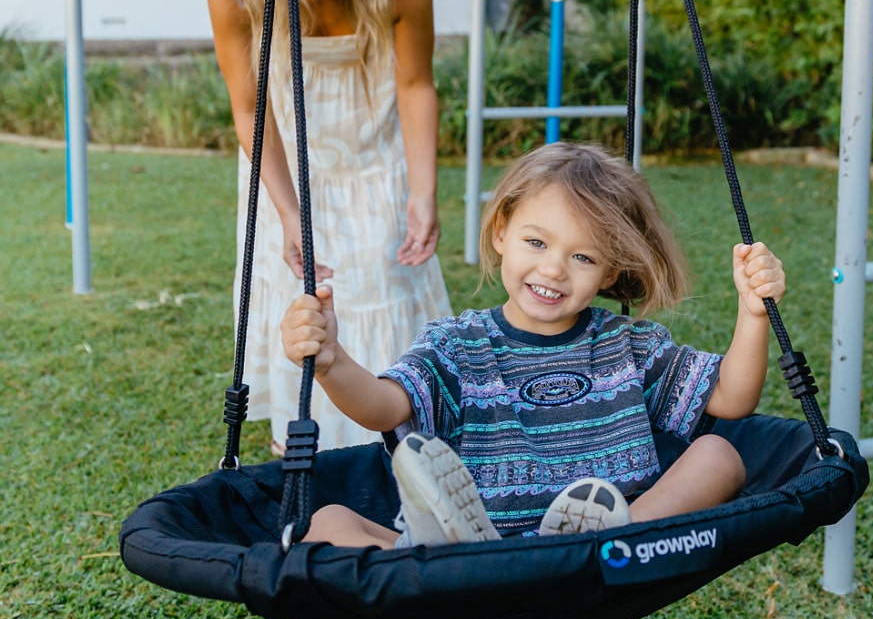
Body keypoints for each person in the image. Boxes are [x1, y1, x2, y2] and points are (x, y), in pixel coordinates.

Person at [280, 141, 787, 549]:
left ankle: (611, 535)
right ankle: (447, 553)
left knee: (720, 455)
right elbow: (384, 407)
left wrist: (753, 313)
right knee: (325, 521)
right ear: (501, 232)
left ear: (610, 271)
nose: (552, 270)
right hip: (488, 536)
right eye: (537, 243)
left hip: (610, 528)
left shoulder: (628, 346)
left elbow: (731, 398)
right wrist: (331, 363)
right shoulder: (459, 345)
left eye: (583, 257)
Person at [207, 0, 451, 454]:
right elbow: (250, 108)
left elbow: (417, 85)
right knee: (301, 299)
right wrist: (289, 214)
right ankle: (310, 445)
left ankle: (404, 436)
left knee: (383, 288)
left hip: (376, 160)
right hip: (284, 163)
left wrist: (423, 191)